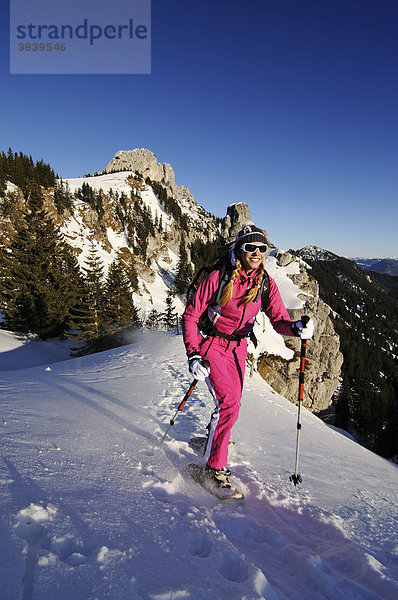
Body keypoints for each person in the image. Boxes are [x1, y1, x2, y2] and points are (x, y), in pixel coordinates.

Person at [182, 222, 314, 490]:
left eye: (261, 248)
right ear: (239, 249)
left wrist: (296, 328)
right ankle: (212, 469)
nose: (256, 252)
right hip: (212, 345)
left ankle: (213, 439)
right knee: (228, 404)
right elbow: (191, 315)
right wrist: (193, 355)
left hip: (239, 348)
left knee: (232, 403)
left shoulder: (264, 282)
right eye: (250, 247)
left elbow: (278, 319)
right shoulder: (218, 277)